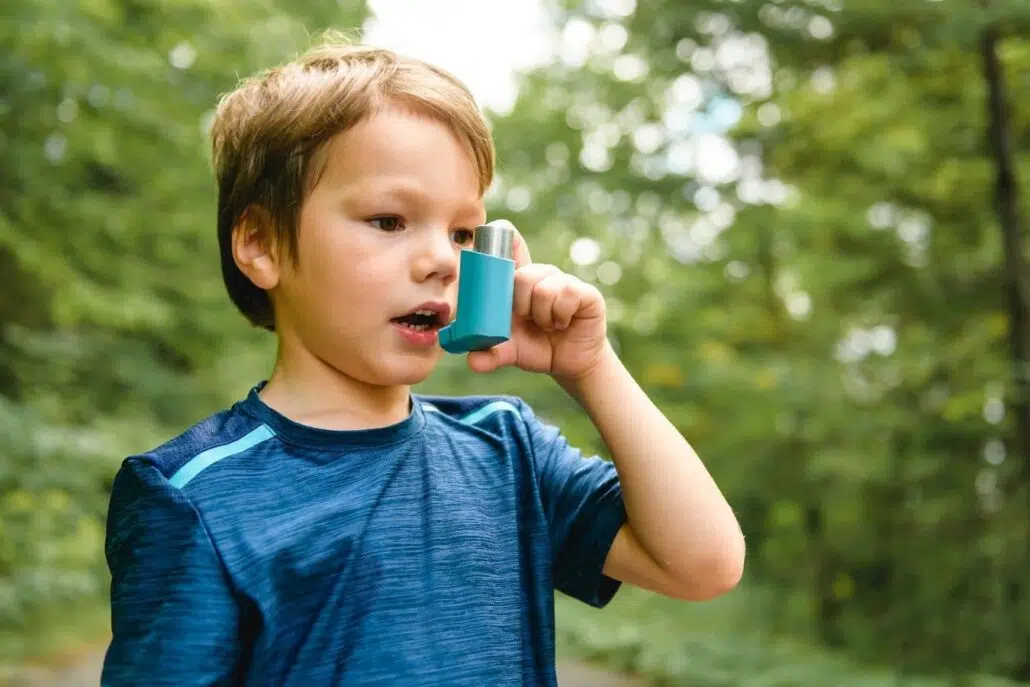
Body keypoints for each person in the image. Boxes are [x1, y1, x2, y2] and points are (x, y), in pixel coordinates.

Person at [101, 32, 745, 686]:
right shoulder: (192, 494)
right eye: (388, 220)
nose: (443, 258)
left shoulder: (507, 449)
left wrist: (591, 367)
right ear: (262, 243)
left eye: (462, 231)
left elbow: (702, 563)